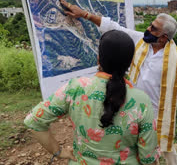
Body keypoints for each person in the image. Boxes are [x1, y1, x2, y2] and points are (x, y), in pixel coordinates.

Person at [60, 0, 177, 165]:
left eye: (153, 28)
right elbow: (114, 28)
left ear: (164, 37)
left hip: (158, 112)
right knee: (139, 147)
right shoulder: (141, 41)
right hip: (134, 106)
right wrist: (85, 15)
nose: (148, 29)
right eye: (151, 25)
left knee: (166, 148)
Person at [24, 30, 159, 164]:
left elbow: (34, 120)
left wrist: (58, 151)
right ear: (130, 63)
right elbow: (148, 157)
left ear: (99, 58)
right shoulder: (141, 100)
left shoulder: (74, 88)